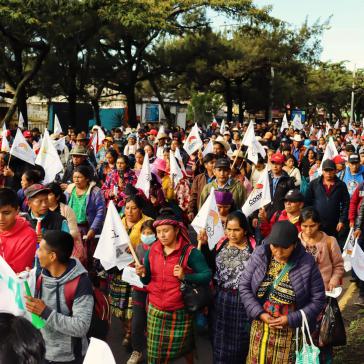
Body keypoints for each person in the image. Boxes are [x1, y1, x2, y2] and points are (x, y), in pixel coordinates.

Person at [239, 220, 326, 364]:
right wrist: (260, 314)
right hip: (260, 327)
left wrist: (291, 319)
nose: (278, 252)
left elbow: (318, 300)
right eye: (275, 246)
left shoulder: (307, 263)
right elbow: (244, 286)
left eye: (285, 248)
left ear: (294, 244)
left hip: (290, 331)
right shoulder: (261, 254)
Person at [136, 208, 211, 364]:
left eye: (166, 231)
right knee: (155, 356)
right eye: (158, 231)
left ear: (177, 230)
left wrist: (186, 276)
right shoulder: (152, 251)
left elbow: (207, 275)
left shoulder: (190, 252)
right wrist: (143, 274)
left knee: (186, 348)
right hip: (156, 310)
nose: (161, 235)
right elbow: (147, 281)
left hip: (180, 310)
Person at [28, 230, 94, 364]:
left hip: (70, 357)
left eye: (40, 249)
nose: (37, 253)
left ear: (52, 256)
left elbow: (81, 326)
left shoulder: (80, 282)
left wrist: (45, 312)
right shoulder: (40, 275)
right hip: (43, 352)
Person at [298, 207, 344, 364]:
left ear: (318, 224)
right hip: (300, 297)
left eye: (312, 226)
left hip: (323, 297)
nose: (308, 230)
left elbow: (338, 266)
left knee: (323, 335)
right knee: (302, 334)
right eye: (304, 226)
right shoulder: (295, 241)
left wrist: (333, 280)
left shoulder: (330, 241)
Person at [207, 211, 253, 364]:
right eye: (229, 229)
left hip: (243, 301)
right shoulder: (220, 243)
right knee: (219, 338)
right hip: (220, 299)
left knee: (240, 339)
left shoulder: (255, 247)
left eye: (237, 230)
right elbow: (209, 266)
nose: (232, 234)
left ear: (245, 230)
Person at [109, 195, 152, 347]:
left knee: (132, 305)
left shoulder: (147, 223)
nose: (129, 211)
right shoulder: (119, 220)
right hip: (119, 269)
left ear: (140, 209)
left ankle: (131, 333)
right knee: (120, 305)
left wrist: (135, 250)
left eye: (134, 208)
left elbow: (151, 244)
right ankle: (126, 328)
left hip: (136, 269)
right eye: (127, 208)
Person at [127, 220, 157, 364]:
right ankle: (137, 350)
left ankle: (154, 352)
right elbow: (135, 264)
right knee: (137, 323)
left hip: (155, 291)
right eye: (144, 233)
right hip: (139, 290)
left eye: (150, 233)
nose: (147, 236)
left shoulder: (160, 249)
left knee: (153, 324)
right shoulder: (138, 247)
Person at [65, 166, 106, 269]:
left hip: (87, 228)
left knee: (88, 256)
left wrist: (93, 229)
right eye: (74, 177)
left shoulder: (96, 192)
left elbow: (101, 212)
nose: (76, 180)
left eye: (79, 177)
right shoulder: (69, 190)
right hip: (71, 228)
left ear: (87, 178)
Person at [305, 159, 350, 239]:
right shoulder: (314, 184)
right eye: (326, 170)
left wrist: (342, 220)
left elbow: (346, 204)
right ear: (322, 171)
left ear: (335, 171)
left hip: (334, 223)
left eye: (331, 170)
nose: (328, 173)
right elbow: (307, 203)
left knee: (332, 246)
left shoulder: (341, 185)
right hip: (317, 223)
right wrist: (309, 219)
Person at [0, 188, 37, 273]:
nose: (1, 219)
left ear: (17, 211)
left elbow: (14, 272)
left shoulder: (28, 236)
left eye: (6, 213)